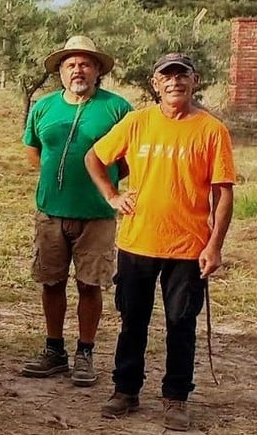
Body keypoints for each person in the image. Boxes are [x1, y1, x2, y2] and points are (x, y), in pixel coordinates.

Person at [86, 53, 236, 432]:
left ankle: (176, 397)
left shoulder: (211, 130)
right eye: (166, 77)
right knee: (132, 320)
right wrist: (112, 195)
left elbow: (223, 193)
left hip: (188, 247)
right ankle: (126, 389)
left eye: (181, 76)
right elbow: (94, 157)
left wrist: (215, 245)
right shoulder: (136, 122)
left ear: (194, 81)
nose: (174, 83)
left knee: (181, 323)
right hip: (137, 243)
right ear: (155, 84)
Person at [20, 36, 132, 386]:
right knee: (51, 281)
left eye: (85, 64)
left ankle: (85, 352)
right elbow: (33, 149)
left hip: (96, 214)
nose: (77, 70)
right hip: (50, 212)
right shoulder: (44, 107)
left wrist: (105, 185)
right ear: (60, 71)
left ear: (98, 70)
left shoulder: (117, 108)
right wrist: (55, 178)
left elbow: (127, 160)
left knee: (89, 284)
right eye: (70, 64)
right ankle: (54, 350)